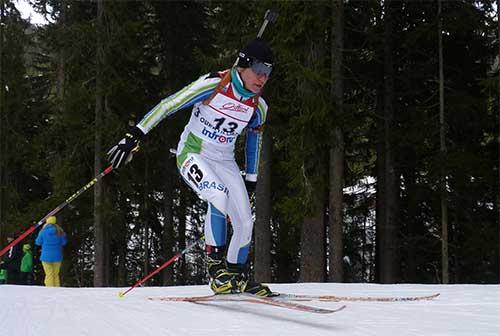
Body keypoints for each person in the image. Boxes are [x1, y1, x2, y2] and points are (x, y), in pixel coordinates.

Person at [107, 38, 274, 297]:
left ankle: (235, 275)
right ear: (243, 65)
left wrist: (251, 179)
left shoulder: (258, 106)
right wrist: (134, 136)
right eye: (259, 70)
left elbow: (255, 139)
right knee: (218, 196)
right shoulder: (214, 85)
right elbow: (169, 105)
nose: (263, 78)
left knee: (245, 221)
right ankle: (216, 271)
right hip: (193, 153)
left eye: (268, 73)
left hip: (225, 160)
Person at [35, 216, 67, 287]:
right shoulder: (60, 231)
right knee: (55, 275)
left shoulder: (43, 232)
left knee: (49, 274)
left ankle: (50, 290)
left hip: (45, 257)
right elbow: (64, 243)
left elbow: (38, 242)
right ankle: (56, 289)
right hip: (57, 257)